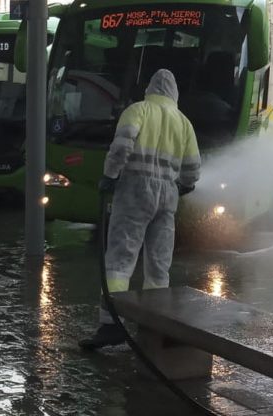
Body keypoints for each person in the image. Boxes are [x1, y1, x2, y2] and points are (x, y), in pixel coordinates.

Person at [80, 69, 201, 350]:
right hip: (167, 197)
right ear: (174, 94)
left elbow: (122, 146)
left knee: (120, 261)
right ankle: (154, 326)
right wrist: (183, 185)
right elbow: (193, 168)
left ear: (150, 89)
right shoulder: (184, 123)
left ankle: (111, 325)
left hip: (134, 192)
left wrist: (110, 175)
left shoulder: (138, 110)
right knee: (159, 264)